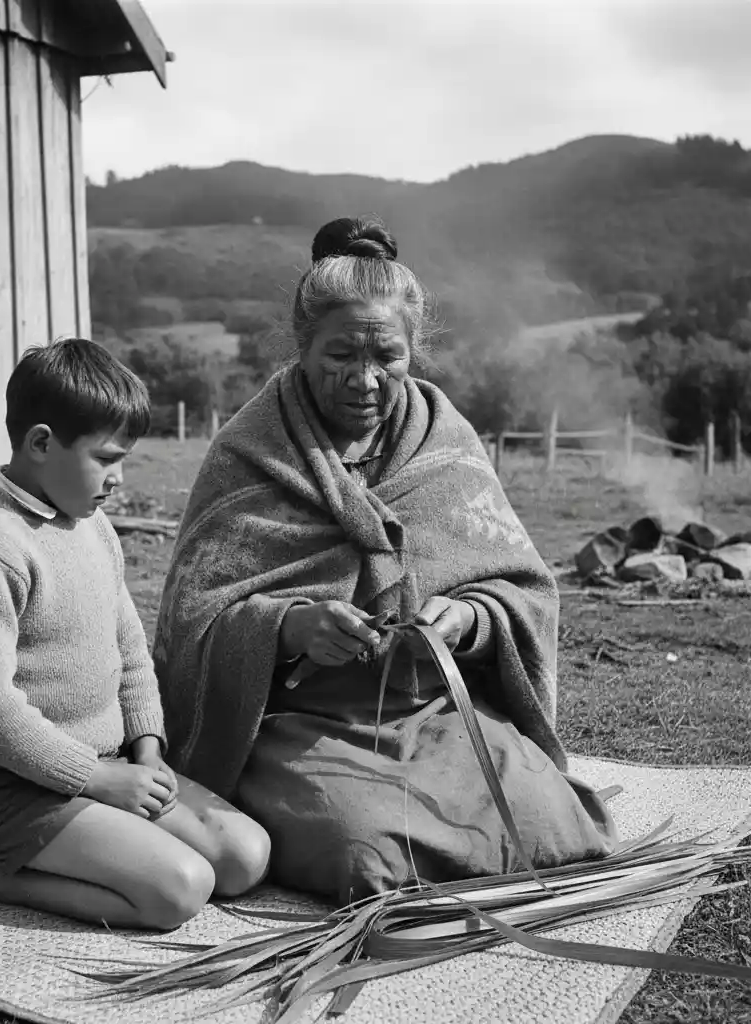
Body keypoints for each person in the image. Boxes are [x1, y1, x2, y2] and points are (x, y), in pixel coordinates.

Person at [153, 218, 617, 905]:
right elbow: (192, 619)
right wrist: (290, 626)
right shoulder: (249, 452)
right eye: (341, 354)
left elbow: (521, 588)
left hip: (433, 710)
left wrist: (468, 617)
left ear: (412, 351)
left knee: (561, 823)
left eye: (388, 356)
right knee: (364, 852)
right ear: (302, 347)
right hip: (297, 725)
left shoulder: (444, 441)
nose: (365, 379)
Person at [0, 338, 270, 930]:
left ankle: (91, 832)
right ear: (40, 443)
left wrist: (148, 749)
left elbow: (130, 653)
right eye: (106, 459)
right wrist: (98, 779)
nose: (119, 478)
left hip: (104, 766)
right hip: (6, 790)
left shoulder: (94, 526)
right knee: (179, 893)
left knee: (244, 859)